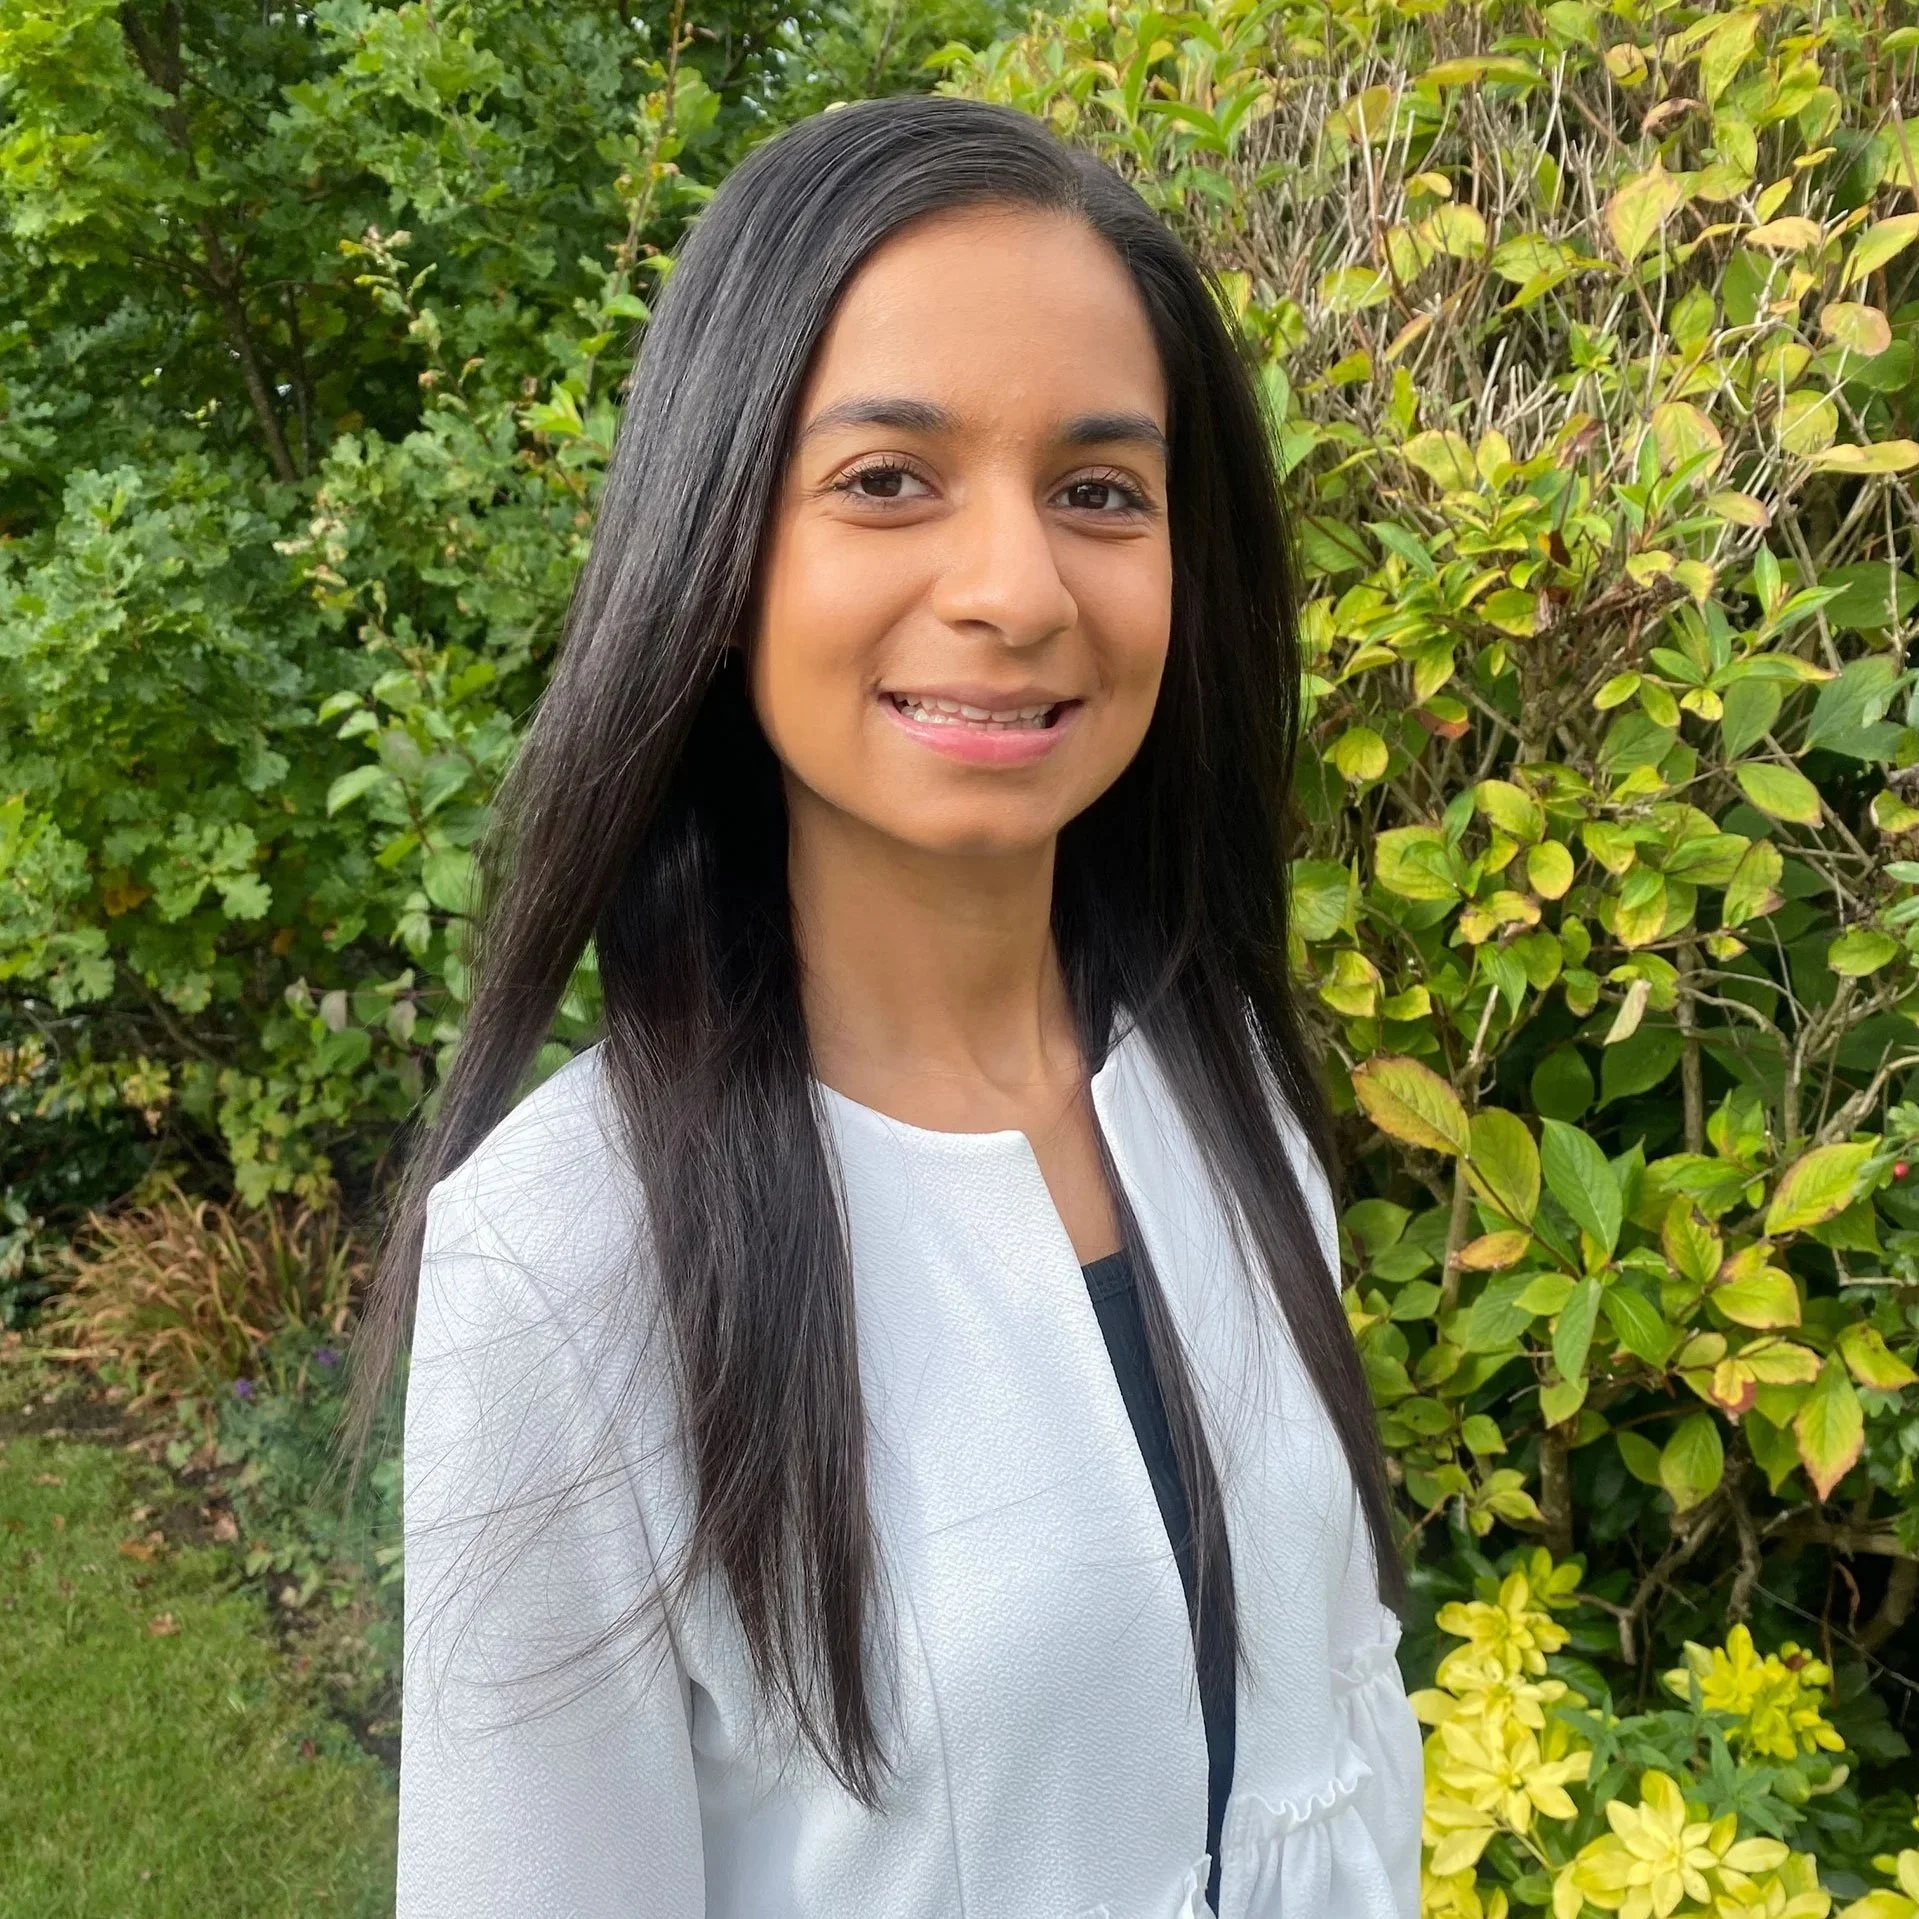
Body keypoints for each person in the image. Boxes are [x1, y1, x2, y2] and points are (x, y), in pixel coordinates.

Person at [348, 90, 1423, 1919]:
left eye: (1099, 491)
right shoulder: (569, 1259)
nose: (1014, 588)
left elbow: (1340, 1738)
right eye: (886, 479)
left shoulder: (1219, 1083)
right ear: (716, 546)